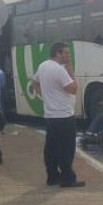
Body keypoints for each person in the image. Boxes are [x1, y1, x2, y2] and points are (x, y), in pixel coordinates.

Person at [31, 42, 85, 188]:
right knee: (66, 148)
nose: (68, 56)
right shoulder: (59, 70)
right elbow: (73, 88)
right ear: (58, 53)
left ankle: (52, 176)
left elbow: (34, 82)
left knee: (51, 148)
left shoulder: (43, 66)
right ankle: (67, 178)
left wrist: (44, 96)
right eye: (66, 53)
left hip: (50, 115)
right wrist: (70, 68)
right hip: (64, 115)